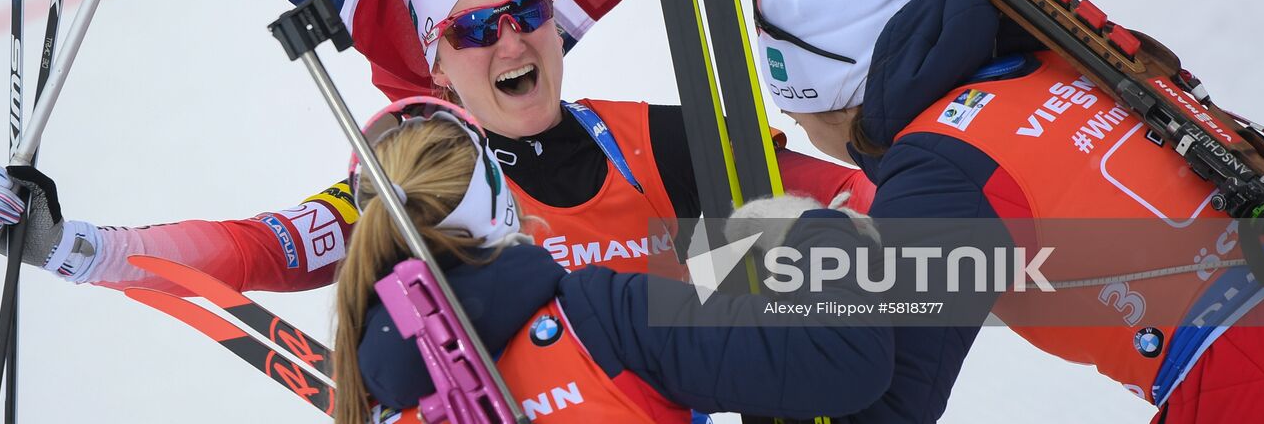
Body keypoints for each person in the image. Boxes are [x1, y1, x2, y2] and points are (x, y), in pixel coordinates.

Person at [0, 0, 871, 293]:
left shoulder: (653, 139)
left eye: (527, 12)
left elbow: (866, 215)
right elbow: (264, 248)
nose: (512, 42)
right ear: (436, 65)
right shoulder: (420, 179)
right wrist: (72, 245)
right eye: (476, 29)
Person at [748, 0, 1264, 423]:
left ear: (831, 105)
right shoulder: (1047, 52)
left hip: (1255, 380)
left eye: (796, 121)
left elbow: (882, 400)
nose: (800, 132)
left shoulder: (943, 169)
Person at [332, 97, 892, 424]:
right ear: (498, 198)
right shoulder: (600, 314)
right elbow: (843, 357)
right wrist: (814, 232)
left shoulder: (370, 398)